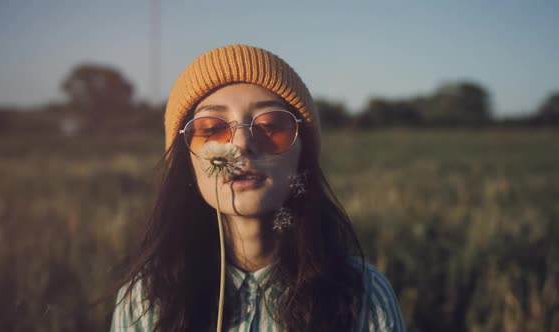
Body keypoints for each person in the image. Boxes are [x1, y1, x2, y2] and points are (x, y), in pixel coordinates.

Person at [109, 44, 405, 331]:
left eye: (271, 126)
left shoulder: (363, 295)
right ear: (187, 162)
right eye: (212, 129)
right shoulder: (145, 300)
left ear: (303, 155)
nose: (241, 143)